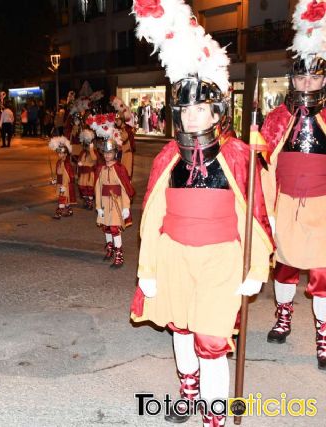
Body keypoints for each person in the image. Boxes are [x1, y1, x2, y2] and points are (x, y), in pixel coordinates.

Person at [128, 2, 273, 426]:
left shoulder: (239, 156)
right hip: (174, 257)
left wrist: (257, 266)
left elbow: (256, 214)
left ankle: (214, 415)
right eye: (185, 110)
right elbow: (153, 219)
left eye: (200, 109)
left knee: (211, 339)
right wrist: (148, 268)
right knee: (182, 330)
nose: (192, 116)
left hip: (220, 259)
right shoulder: (167, 157)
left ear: (216, 112)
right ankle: (187, 395)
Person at [259, 0, 326, 371]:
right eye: (301, 78)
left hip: (322, 209)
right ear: (291, 80)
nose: (307, 84)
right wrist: (265, 211)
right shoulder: (276, 118)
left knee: (322, 276)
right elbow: (265, 167)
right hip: (285, 206)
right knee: (284, 269)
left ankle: (323, 338)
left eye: (314, 78)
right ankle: (283, 318)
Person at [89, 120, 134, 268]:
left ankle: (119, 254)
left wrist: (126, 207)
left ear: (115, 153)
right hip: (105, 203)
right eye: (105, 153)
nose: (107, 156)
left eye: (110, 153)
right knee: (106, 227)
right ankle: (110, 248)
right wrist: (98, 206)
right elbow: (98, 187)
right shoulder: (100, 169)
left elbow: (125, 188)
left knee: (115, 228)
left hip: (116, 203)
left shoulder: (120, 169)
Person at [48, 136, 75, 219]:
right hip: (60, 184)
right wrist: (55, 180)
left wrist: (64, 185)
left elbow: (66, 176)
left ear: (66, 154)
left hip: (64, 185)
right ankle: (69, 210)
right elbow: (58, 174)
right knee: (65, 199)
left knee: (62, 199)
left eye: (61, 153)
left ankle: (58, 213)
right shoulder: (59, 162)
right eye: (58, 153)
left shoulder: (66, 164)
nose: (59, 155)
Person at [76, 129, 98, 210]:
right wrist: (79, 163)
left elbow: (94, 159)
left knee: (89, 189)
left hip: (89, 174)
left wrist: (91, 150)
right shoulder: (83, 152)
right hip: (83, 174)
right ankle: (86, 202)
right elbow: (80, 160)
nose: (88, 146)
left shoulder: (93, 152)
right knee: (83, 188)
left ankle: (90, 203)